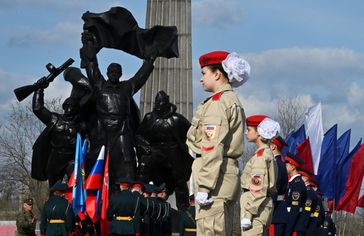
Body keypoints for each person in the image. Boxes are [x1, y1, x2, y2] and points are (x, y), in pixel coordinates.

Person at [80, 31, 156, 188]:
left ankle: (126, 194)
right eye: (111, 72)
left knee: (127, 161)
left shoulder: (126, 88)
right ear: (107, 73)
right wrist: (88, 44)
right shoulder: (100, 85)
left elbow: (140, 77)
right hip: (103, 132)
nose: (114, 75)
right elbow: (92, 66)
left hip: (122, 130)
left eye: (116, 72)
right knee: (99, 164)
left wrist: (149, 60)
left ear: (120, 74)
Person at [186, 51, 250, 235]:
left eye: (204, 73)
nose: (201, 79)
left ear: (217, 74)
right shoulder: (231, 100)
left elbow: (212, 146)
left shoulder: (218, 103)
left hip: (215, 179)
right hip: (224, 175)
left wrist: (205, 186)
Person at [136, 90, 193, 210]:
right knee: (144, 169)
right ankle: (138, 200)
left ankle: (183, 209)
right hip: (154, 152)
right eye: (157, 103)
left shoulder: (177, 119)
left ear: (167, 103)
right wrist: (145, 147)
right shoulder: (150, 118)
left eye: (161, 103)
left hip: (174, 152)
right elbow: (138, 135)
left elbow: (193, 133)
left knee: (180, 180)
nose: (159, 106)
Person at [32, 77, 88, 187]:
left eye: (72, 107)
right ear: (64, 107)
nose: (69, 109)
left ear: (76, 109)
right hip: (55, 158)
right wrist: (39, 90)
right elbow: (38, 109)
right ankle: (55, 203)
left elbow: (88, 140)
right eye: (67, 106)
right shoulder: (55, 119)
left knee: (75, 183)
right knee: (54, 187)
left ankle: (74, 203)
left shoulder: (81, 125)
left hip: (72, 159)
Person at [240, 115, 279, 235]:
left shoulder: (261, 157)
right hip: (260, 206)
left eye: (249, 129)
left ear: (259, 133)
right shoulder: (265, 154)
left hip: (255, 209)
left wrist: (248, 214)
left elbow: (258, 188)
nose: (246, 133)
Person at [283, 152, 307, 236]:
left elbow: (294, 208)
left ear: (293, 167)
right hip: (290, 221)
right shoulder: (293, 182)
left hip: (294, 225)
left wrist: (288, 230)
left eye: (287, 165)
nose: (285, 167)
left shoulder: (297, 184)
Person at [269, 136, 289, 235]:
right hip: (277, 211)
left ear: (273, 147)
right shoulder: (279, 163)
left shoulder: (277, 164)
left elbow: (275, 189)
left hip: (275, 212)